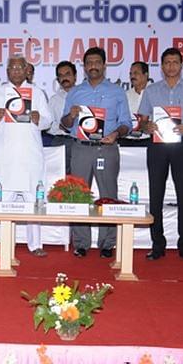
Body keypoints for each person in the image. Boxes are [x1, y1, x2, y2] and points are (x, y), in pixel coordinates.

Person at [61, 47, 131, 259]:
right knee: (78, 196)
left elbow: (126, 123)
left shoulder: (117, 92)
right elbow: (64, 124)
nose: (93, 66)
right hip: (81, 148)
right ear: (84, 67)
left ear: (104, 65)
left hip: (106, 148)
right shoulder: (75, 92)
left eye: (97, 62)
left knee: (108, 195)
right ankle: (81, 242)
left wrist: (116, 134)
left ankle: (107, 243)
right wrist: (71, 116)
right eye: (89, 62)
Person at [138, 47, 183, 261]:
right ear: (161, 66)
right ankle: (157, 245)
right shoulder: (151, 91)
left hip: (182, 145)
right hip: (157, 145)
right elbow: (142, 122)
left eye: (175, 62)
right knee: (155, 195)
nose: (171, 66)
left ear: (181, 65)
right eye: (167, 62)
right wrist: (147, 126)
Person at [0, 56, 53, 257]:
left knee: (34, 200)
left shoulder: (37, 93)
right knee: (4, 202)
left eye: (19, 68)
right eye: (12, 68)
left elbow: (48, 121)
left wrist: (40, 119)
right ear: (7, 71)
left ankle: (36, 245)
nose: (15, 71)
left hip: (30, 154)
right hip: (6, 156)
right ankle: (5, 245)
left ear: (26, 70)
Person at [47, 61, 77, 174]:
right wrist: (60, 126)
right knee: (59, 177)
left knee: (80, 176)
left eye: (67, 74)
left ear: (75, 76)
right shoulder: (54, 100)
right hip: (60, 141)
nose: (64, 78)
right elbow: (48, 125)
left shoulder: (84, 96)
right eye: (61, 75)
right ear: (58, 79)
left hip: (80, 142)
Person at [119, 61, 151, 147]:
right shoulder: (125, 95)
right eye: (131, 74)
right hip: (127, 140)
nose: (132, 76)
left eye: (136, 73)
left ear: (146, 75)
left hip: (149, 140)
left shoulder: (155, 93)